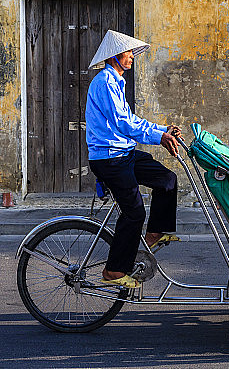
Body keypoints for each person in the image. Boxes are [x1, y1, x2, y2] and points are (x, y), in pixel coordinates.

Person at [85, 30, 182, 289]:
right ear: (116, 56)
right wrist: (158, 138)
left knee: (167, 180)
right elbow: (123, 123)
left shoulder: (117, 82)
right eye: (128, 53)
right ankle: (114, 270)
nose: (131, 58)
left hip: (123, 153)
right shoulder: (105, 82)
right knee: (134, 212)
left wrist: (162, 130)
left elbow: (133, 120)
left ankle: (154, 234)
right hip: (109, 158)